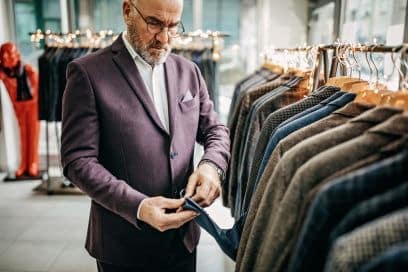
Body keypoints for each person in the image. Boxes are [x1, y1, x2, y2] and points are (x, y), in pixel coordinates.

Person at [60, 0, 230, 271]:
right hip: (123, 244)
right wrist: (138, 206)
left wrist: (211, 167)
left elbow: (215, 130)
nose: (164, 38)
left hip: (184, 239)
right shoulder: (87, 73)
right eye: (154, 23)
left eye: (173, 26)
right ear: (127, 11)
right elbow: (77, 160)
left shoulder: (189, 71)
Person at [0, 42, 40, 178]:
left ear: (17, 55)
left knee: (33, 136)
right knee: (23, 137)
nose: (6, 58)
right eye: (3, 55)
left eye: (9, 54)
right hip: (19, 109)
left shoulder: (29, 71)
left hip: (33, 107)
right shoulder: (4, 73)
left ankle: (33, 163)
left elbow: (37, 91)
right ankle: (24, 164)